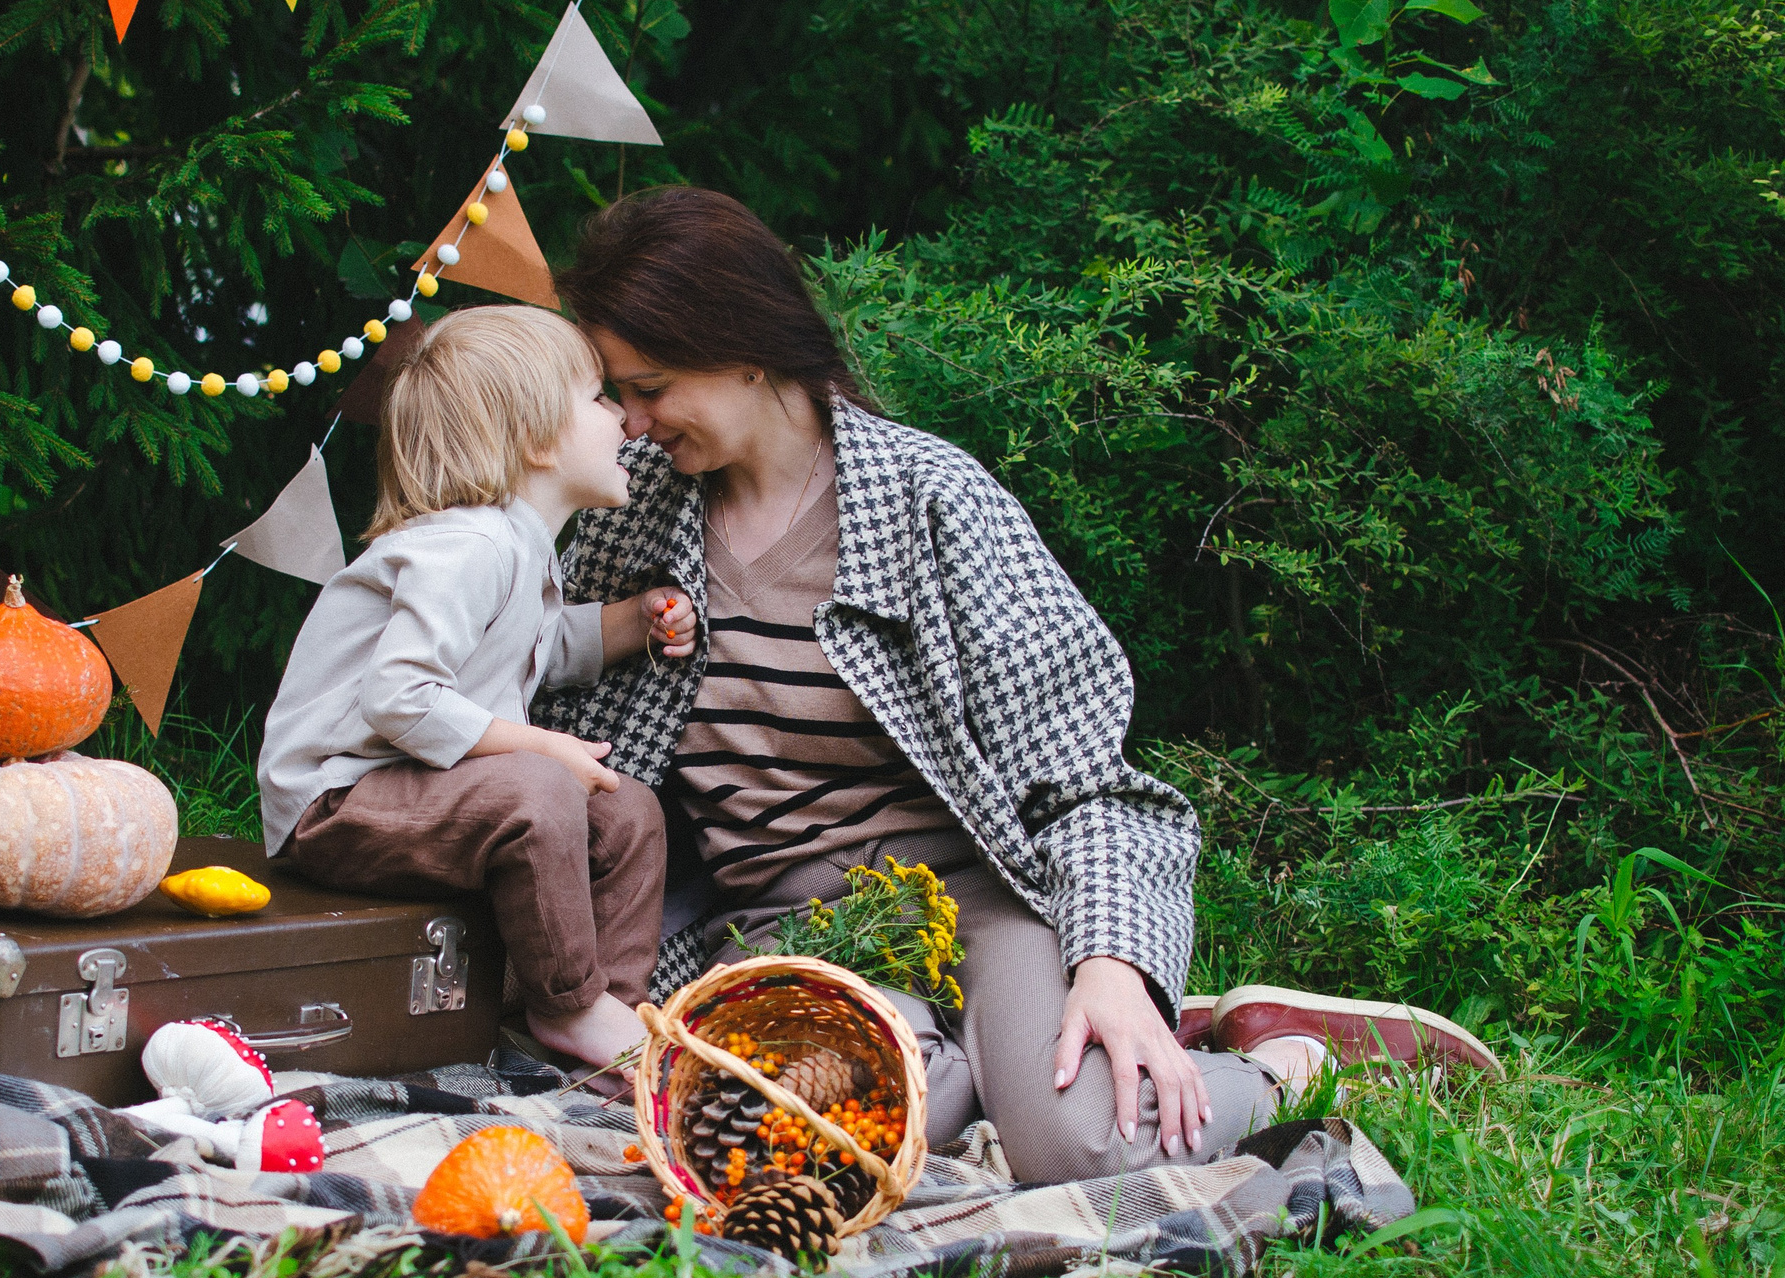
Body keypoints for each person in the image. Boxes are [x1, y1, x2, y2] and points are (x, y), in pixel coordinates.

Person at [538, 188, 1497, 1183]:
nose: (633, 424)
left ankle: (1282, 1059)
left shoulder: (932, 501)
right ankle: (1009, 1055)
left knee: (1078, 1143)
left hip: (977, 897)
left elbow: (1087, 775)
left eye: (648, 387)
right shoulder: (629, 512)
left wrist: (1113, 965)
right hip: (786, 934)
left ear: (743, 349)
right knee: (801, 1146)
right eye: (618, 393)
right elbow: (538, 702)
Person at [258, 306, 699, 1074]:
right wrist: (542, 747)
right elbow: (398, 698)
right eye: (596, 399)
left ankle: (611, 1015)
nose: (623, 418)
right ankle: (565, 1003)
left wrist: (637, 621)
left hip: (418, 788)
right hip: (336, 801)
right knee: (539, 788)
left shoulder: (516, 549)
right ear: (534, 440)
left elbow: (537, 648)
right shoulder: (469, 547)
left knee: (626, 807)